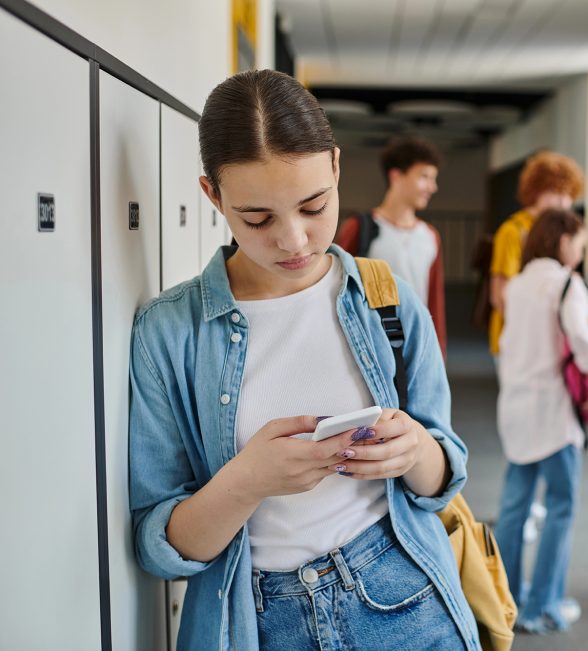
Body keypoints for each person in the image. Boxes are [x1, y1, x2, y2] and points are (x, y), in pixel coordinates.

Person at [128, 70, 478, 651]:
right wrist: (246, 483)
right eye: (258, 219)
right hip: (258, 620)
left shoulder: (384, 296)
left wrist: (414, 448)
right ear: (213, 196)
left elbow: (444, 475)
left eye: (314, 207)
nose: (293, 240)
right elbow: (158, 544)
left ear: (337, 169)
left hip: (403, 595)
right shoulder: (169, 332)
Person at [493, 209, 588, 634]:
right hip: (553, 413)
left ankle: (506, 601)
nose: (581, 252)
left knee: (514, 509)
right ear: (562, 241)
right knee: (561, 505)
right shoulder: (566, 283)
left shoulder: (519, 284)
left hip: (516, 408)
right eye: (579, 243)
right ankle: (543, 606)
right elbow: (581, 335)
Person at [334, 136, 447, 356]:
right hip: (370, 343)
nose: (432, 187)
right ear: (396, 176)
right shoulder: (359, 228)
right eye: (424, 177)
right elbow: (339, 288)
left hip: (416, 343)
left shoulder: (430, 236)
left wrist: (438, 351)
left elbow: (435, 301)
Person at [488, 150, 584, 356]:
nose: (563, 202)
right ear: (535, 192)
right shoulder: (513, 231)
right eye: (555, 193)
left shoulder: (560, 233)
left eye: (568, 195)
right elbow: (500, 295)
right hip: (517, 335)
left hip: (549, 337)